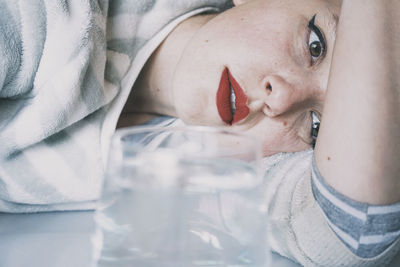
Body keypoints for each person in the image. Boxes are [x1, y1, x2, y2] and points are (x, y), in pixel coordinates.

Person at [0, 0, 399, 266]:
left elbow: (353, 233)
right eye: (315, 45)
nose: (281, 99)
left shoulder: (227, 164)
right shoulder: (54, 21)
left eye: (317, 125)